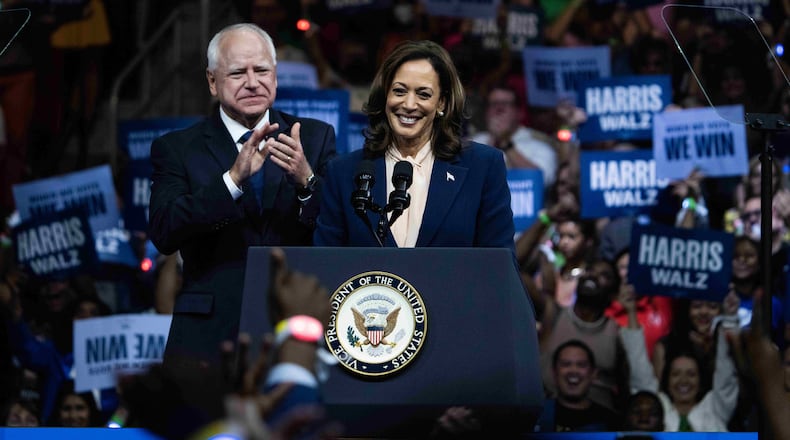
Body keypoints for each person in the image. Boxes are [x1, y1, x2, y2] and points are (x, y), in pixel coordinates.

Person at [148, 23, 336, 367]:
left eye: (261, 70)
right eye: (237, 72)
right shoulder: (177, 148)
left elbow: (340, 230)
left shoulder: (314, 138)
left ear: (276, 76)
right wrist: (232, 181)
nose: (252, 82)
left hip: (293, 331)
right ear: (212, 81)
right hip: (208, 335)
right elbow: (164, 231)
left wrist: (306, 181)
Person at [314, 40, 514, 250]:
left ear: (442, 103)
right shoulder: (343, 172)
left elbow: (499, 264)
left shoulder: (482, 166)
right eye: (399, 91)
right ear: (385, 96)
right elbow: (326, 266)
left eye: (423, 94)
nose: (409, 105)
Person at [621, 286, 740, 432]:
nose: (683, 380)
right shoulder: (658, 407)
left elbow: (725, 371)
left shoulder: (715, 407)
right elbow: (638, 367)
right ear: (666, 380)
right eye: (676, 374)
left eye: (691, 374)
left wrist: (730, 317)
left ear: (701, 381)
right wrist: (631, 311)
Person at [470, 84, 559, 185]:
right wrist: (492, 142)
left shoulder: (538, 142)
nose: (499, 109)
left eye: (506, 104)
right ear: (486, 113)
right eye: (494, 104)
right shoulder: (473, 142)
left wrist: (505, 143)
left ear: (519, 113)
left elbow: (541, 181)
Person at [534, 339, 619, 432]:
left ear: (593, 374)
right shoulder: (535, 415)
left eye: (581, 365)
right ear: (554, 372)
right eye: (566, 364)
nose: (573, 370)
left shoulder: (610, 422)